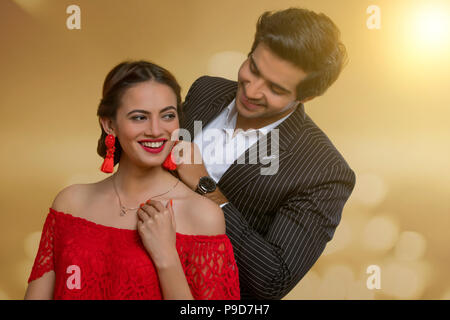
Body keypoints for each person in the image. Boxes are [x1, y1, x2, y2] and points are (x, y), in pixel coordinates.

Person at [175, 8, 356, 299]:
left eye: (274, 88)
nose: (251, 90)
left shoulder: (324, 172)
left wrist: (205, 185)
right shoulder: (205, 89)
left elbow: (271, 280)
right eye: (253, 68)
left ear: (306, 96)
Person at [24, 60, 240, 300]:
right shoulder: (70, 203)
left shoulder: (202, 215)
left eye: (168, 115)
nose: (156, 130)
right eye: (139, 117)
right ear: (109, 124)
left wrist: (167, 258)